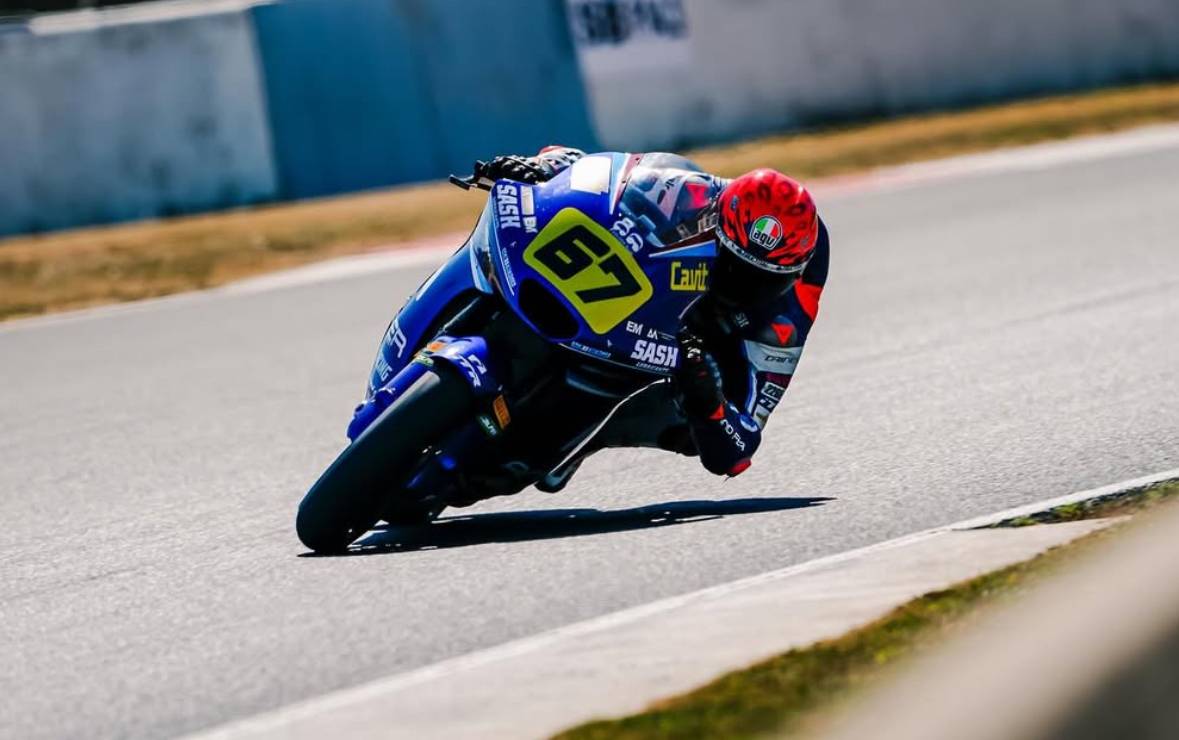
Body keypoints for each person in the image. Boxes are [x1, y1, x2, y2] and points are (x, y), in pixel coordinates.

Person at [471, 147, 830, 490]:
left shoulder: (785, 317)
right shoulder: (697, 194)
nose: (742, 285)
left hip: (705, 338)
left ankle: (588, 438)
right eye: (734, 266)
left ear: (792, 275)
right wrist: (546, 167)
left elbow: (739, 447)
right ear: (718, 225)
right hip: (643, 292)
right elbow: (612, 175)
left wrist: (710, 404)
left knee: (693, 419)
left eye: (759, 279)